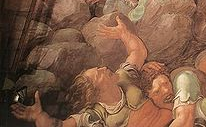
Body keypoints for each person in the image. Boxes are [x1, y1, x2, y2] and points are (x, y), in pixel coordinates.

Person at [11, 17, 148, 126]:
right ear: (95, 93)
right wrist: (39, 117)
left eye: (99, 68)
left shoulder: (123, 76)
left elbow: (138, 52)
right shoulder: (94, 115)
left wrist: (124, 35)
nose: (105, 68)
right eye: (99, 74)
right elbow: (62, 125)